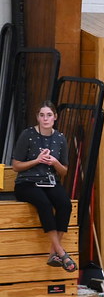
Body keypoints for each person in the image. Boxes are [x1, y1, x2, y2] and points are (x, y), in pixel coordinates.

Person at [11, 102, 76, 272]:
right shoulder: (28, 134)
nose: (45, 118)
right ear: (37, 117)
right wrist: (37, 160)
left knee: (65, 204)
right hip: (27, 182)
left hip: (50, 181)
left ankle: (53, 252)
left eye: (48, 115)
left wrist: (54, 162)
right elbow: (16, 165)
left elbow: (64, 171)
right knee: (44, 204)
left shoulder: (60, 138)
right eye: (42, 115)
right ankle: (60, 252)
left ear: (55, 117)